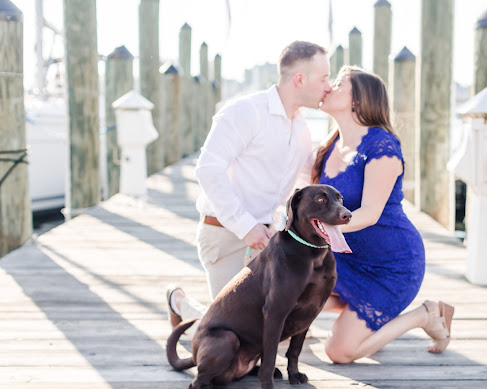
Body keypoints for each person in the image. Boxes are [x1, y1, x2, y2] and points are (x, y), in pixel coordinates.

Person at [167, 41, 332, 327]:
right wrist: (245, 226)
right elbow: (208, 169)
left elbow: (307, 184)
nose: (328, 86)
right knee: (233, 340)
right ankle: (180, 303)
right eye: (324, 78)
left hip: (268, 241)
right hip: (224, 235)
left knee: (271, 335)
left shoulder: (302, 128)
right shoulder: (245, 112)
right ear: (300, 79)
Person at [312, 66, 455, 363]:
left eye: (338, 84)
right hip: (346, 258)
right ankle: (372, 322)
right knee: (291, 293)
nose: (328, 88)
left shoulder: (381, 146)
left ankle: (425, 315)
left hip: (391, 266)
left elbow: (369, 214)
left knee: (338, 351)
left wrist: (320, 230)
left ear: (358, 101)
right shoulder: (329, 147)